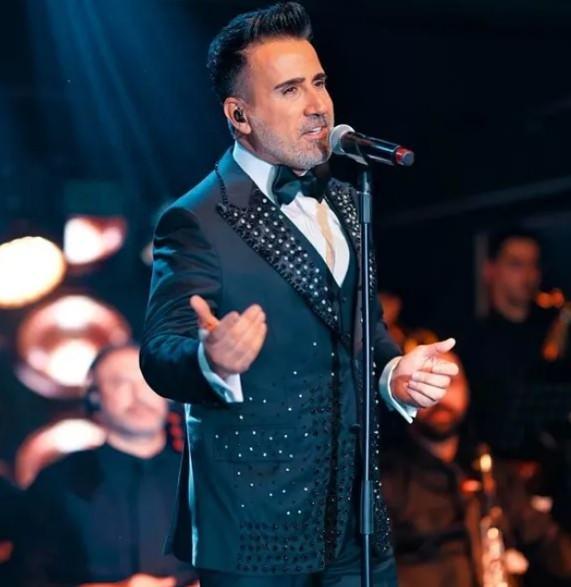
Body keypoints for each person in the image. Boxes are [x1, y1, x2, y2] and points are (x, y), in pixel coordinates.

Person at [140, 3, 458, 585]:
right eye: (289, 90)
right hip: (252, 530)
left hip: (355, 521)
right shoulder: (197, 217)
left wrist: (394, 375)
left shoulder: (348, 201)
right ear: (239, 114)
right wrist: (210, 359)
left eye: (318, 82)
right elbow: (161, 352)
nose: (317, 105)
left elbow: (364, 331)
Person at [382, 352, 571, 587]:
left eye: (450, 382)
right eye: (426, 384)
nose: (439, 396)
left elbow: (547, 541)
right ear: (402, 395)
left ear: (467, 390)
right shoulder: (384, 480)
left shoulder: (491, 470)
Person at [21, 344, 198, 587]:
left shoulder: (205, 478)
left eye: (149, 381)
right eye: (120, 383)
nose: (139, 395)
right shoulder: (56, 481)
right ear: (95, 398)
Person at [459, 228, 571, 456]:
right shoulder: (470, 340)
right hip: (492, 462)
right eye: (516, 264)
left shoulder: (554, 330)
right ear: (490, 270)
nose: (529, 275)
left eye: (534, 265)